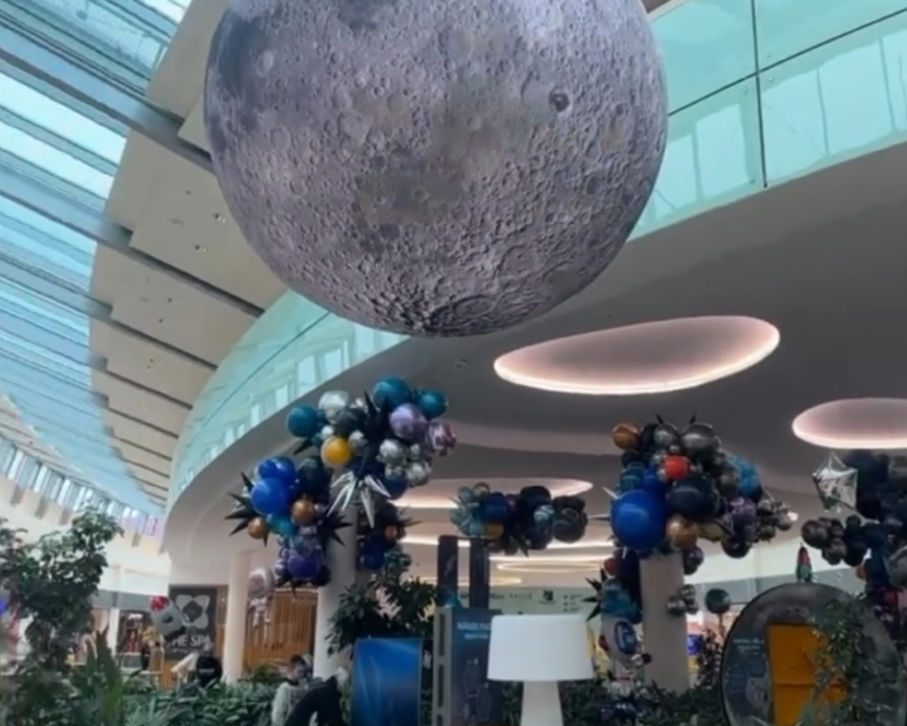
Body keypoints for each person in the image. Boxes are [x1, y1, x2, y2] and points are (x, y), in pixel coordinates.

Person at [271, 654, 311, 726]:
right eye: (299, 672)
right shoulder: (284, 689)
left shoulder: (303, 688)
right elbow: (278, 713)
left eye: (303, 672)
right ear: (291, 670)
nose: (301, 675)